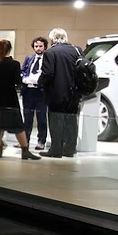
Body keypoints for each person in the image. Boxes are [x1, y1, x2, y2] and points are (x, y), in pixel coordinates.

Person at [0, 39, 41, 160]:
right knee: (17, 125)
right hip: (10, 97)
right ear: (9, 50)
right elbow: (17, 81)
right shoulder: (14, 64)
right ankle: (25, 150)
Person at [39, 27, 83, 158]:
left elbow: (48, 73)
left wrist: (40, 83)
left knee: (56, 121)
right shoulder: (77, 50)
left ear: (52, 39)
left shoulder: (50, 53)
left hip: (56, 93)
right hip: (74, 93)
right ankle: (70, 149)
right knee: (71, 121)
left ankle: (56, 149)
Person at [20, 36, 50, 152]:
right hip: (28, 90)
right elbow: (23, 71)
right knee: (27, 117)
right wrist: (24, 78)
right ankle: (25, 140)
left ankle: (41, 141)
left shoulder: (47, 59)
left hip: (40, 91)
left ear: (45, 47)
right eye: (36, 46)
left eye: (40, 46)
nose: (38, 48)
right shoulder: (29, 58)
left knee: (41, 117)